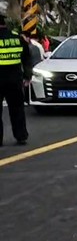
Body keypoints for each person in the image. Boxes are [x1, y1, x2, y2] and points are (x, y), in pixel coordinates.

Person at [0, 15, 32, 146]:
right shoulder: (18, 37)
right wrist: (28, 76)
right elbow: (27, 58)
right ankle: (21, 136)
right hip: (15, 79)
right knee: (17, 108)